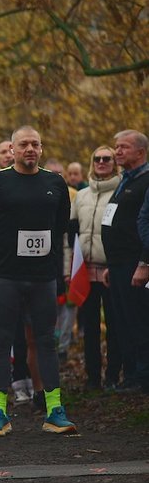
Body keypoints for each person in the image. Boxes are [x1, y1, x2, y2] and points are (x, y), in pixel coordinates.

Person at [0, 126, 75, 436]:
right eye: (24, 144)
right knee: (1, 343)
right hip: (6, 276)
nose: (30, 149)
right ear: (12, 150)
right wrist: (3, 243)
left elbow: (59, 228)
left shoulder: (55, 183)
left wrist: (56, 270)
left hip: (43, 277)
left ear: (41, 149)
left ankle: (54, 410)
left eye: (35, 144)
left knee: (46, 341)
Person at [67, 146, 120, 390]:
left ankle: (113, 375)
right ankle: (92, 378)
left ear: (114, 162)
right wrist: (69, 268)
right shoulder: (82, 196)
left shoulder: (122, 192)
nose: (101, 162)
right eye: (97, 158)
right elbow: (70, 235)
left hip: (112, 271)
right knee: (89, 326)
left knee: (115, 324)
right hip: (84, 271)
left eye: (106, 158)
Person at [101, 130, 149, 394]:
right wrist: (111, 264)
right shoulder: (124, 180)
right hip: (118, 264)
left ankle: (143, 377)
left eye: (124, 148)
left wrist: (145, 263)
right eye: (116, 146)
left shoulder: (146, 181)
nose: (117, 151)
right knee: (123, 321)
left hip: (137, 264)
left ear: (140, 152)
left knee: (139, 319)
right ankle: (131, 375)